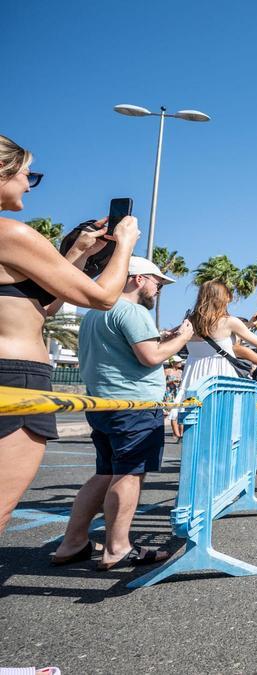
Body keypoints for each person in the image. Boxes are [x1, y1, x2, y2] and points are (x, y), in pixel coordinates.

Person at [0, 134, 141, 536]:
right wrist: (124, 246)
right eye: (29, 174)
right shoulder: (11, 234)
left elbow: (39, 305)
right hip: (16, 377)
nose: (29, 184)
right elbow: (101, 297)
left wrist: (78, 250)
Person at [50, 257, 190, 569]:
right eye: (157, 281)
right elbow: (150, 357)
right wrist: (180, 338)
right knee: (129, 473)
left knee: (104, 473)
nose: (159, 289)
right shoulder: (132, 311)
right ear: (138, 279)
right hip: (134, 407)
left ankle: (72, 542)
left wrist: (161, 337)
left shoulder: (95, 312)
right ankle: (117, 547)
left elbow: (124, 350)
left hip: (102, 404)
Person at [177, 280, 257, 402]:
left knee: (194, 417)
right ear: (222, 298)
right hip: (220, 376)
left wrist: (249, 324)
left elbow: (214, 337)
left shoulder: (189, 321)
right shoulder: (229, 321)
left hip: (193, 376)